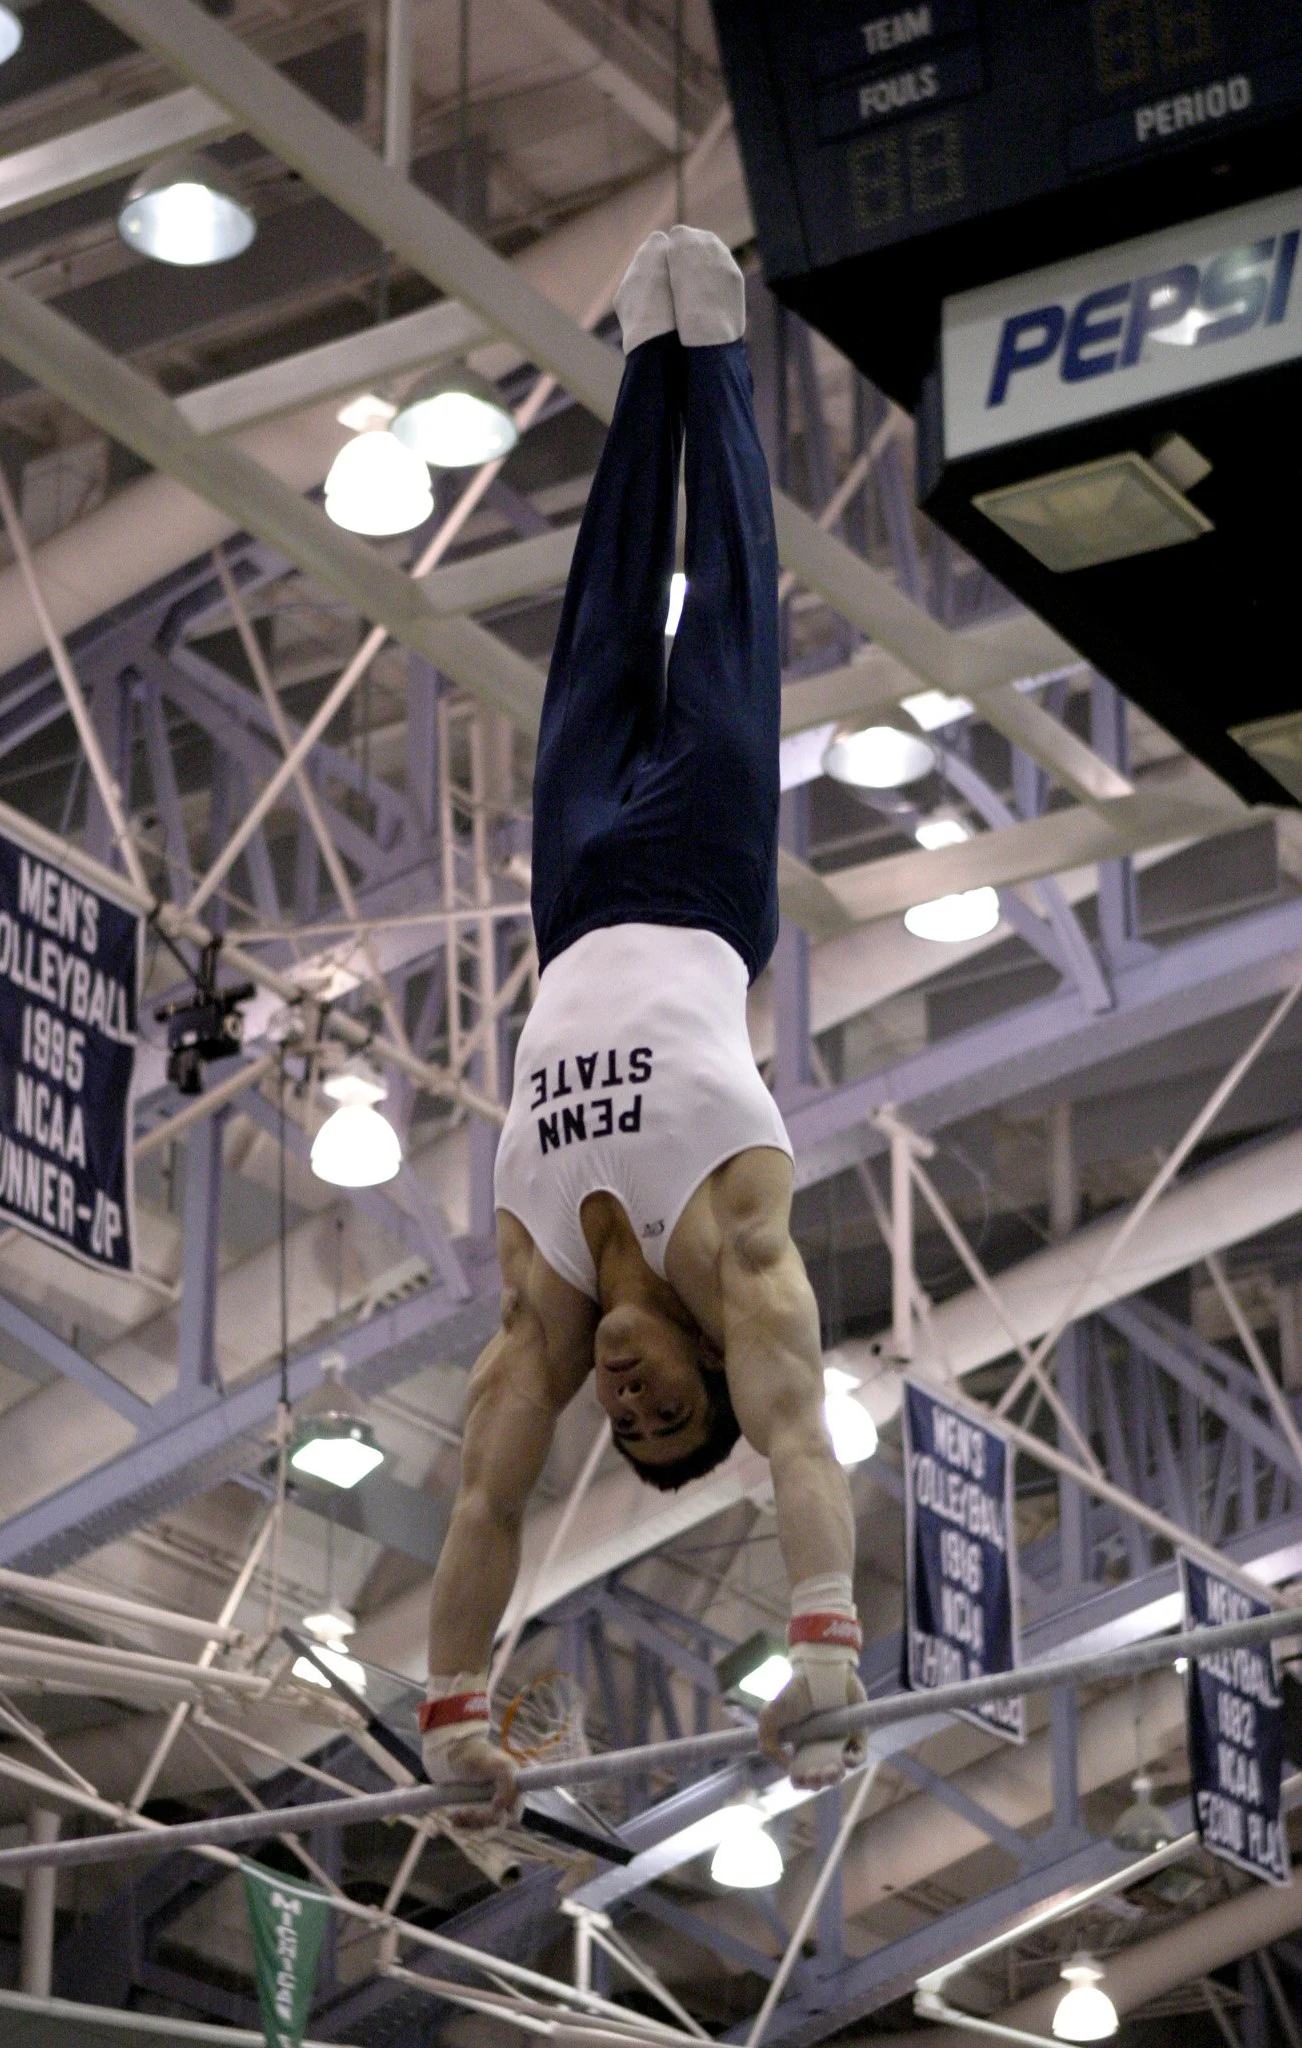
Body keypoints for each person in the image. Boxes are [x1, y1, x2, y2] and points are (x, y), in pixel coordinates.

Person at [418, 228, 863, 1826]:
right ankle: (719, 357)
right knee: (728, 603)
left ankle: (641, 367)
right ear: (709, 1365)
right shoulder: (735, 1259)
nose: (627, 1396)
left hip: (571, 889)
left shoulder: (537, 1303)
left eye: (629, 1425)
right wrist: (824, 1646)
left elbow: (485, 1496)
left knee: (605, 612)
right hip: (699, 877)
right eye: (672, 1405)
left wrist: (451, 1711)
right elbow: (802, 1440)